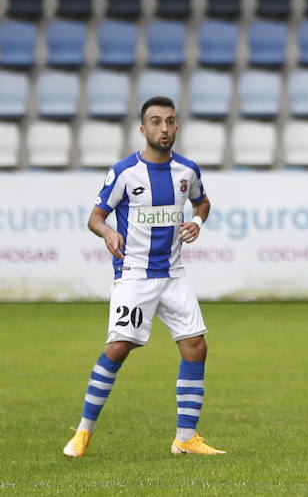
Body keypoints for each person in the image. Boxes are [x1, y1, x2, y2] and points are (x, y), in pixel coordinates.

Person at [62, 96, 224, 458]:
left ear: (176, 127)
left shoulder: (187, 171)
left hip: (173, 273)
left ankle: (186, 438)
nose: (163, 128)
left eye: (169, 121)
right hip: (134, 274)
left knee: (196, 346)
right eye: (155, 121)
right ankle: (83, 431)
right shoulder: (123, 172)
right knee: (118, 348)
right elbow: (95, 217)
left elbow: (203, 202)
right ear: (143, 129)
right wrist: (106, 232)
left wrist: (196, 222)